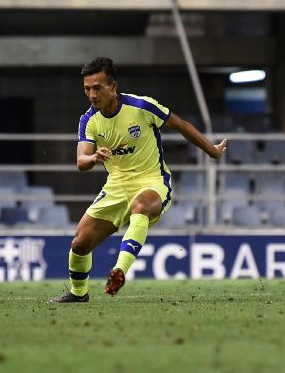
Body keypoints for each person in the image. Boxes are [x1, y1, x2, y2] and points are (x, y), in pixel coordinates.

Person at [49, 57, 227, 303]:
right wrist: (93, 158)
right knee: (79, 244)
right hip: (116, 186)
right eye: (87, 89)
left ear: (113, 87)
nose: (91, 95)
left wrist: (212, 151)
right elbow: (81, 161)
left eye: (97, 88)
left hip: (152, 181)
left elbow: (181, 125)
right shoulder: (88, 120)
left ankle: (119, 271)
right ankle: (79, 294)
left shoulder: (142, 107)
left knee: (140, 207)